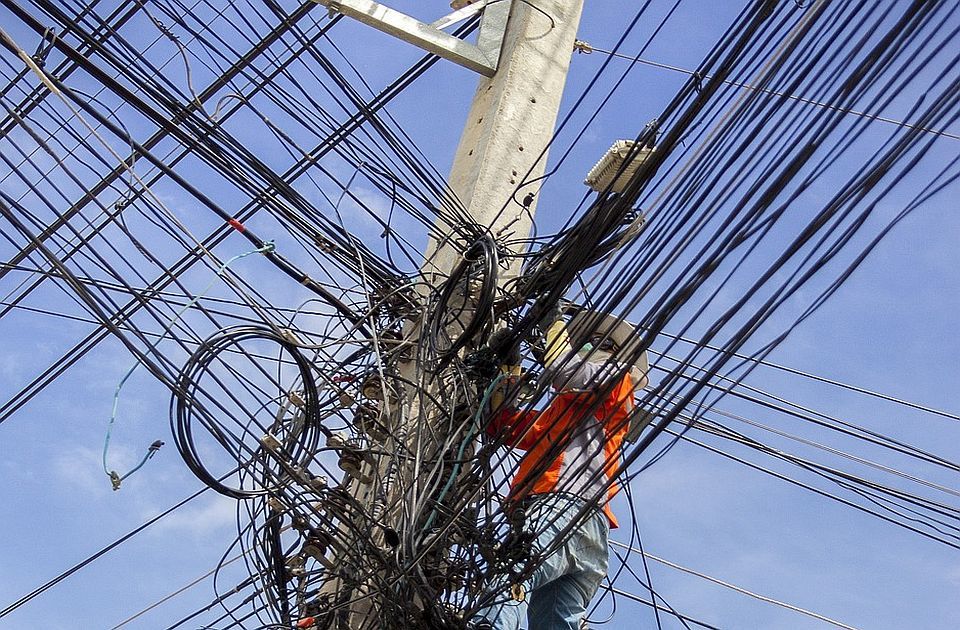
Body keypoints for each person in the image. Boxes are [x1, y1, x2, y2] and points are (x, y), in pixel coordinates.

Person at [473, 310, 648, 630]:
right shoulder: (567, 414)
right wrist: (509, 369)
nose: (586, 348)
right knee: (555, 619)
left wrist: (553, 326)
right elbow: (503, 426)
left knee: (513, 573)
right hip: (588, 532)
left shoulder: (617, 378)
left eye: (596, 343)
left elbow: (564, 372)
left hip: (564, 507)